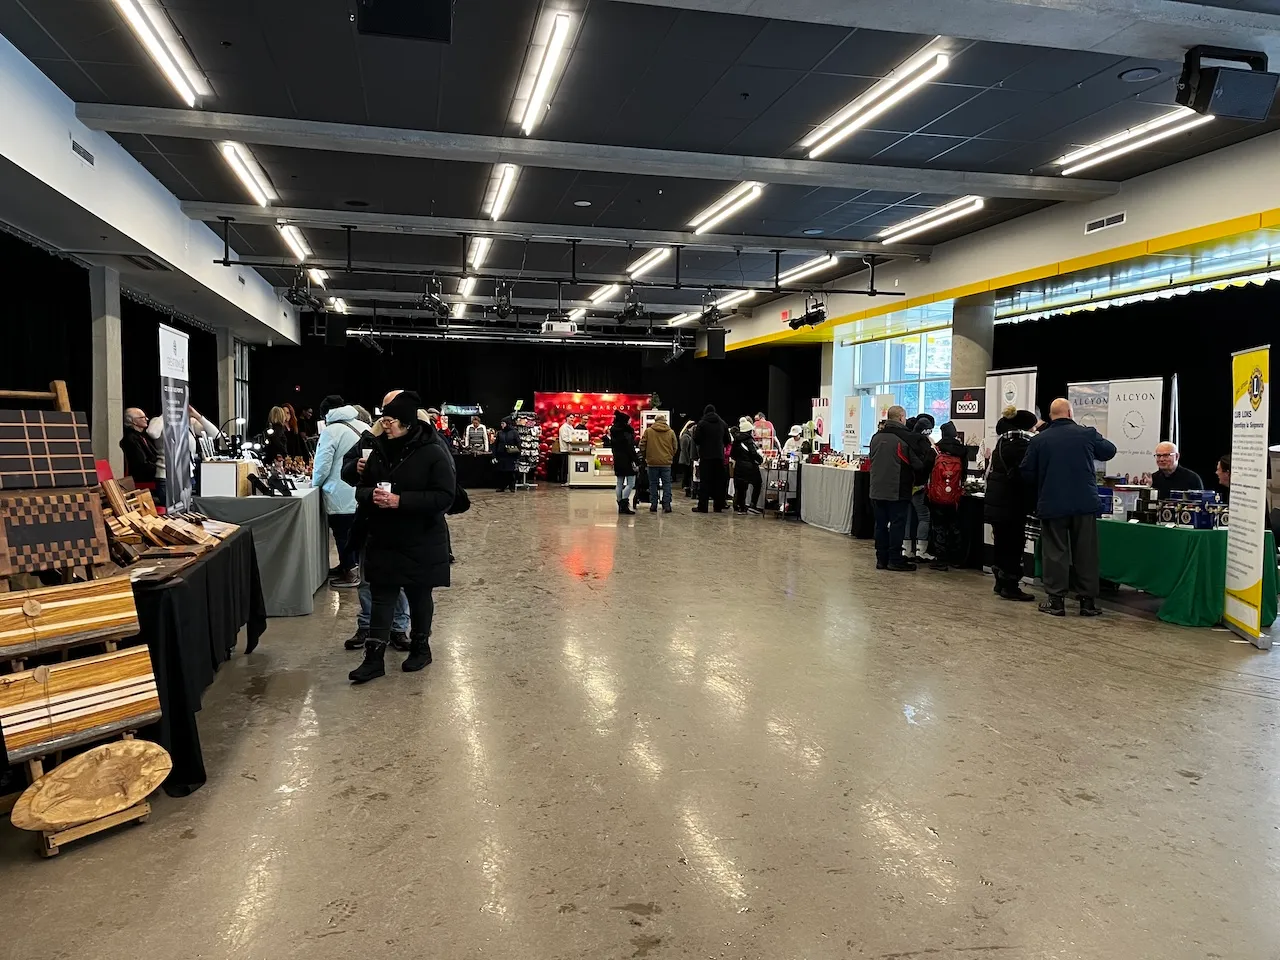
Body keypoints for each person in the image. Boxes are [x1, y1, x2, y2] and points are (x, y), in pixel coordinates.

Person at [347, 390, 455, 683]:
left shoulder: (433, 450)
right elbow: (360, 487)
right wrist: (372, 495)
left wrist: (400, 501)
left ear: (407, 422)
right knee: (382, 596)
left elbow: (445, 497)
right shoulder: (377, 448)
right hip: (383, 536)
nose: (386, 426)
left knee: (419, 595)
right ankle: (374, 659)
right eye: (383, 420)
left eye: (391, 421)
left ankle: (421, 648)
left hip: (422, 537)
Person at [1021, 398, 1117, 617]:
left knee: (1055, 552)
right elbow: (1110, 451)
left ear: (1050, 415)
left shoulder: (1039, 440)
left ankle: (1056, 602)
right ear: (1071, 413)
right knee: (1086, 552)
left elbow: (1026, 472)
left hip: (1052, 503)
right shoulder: (1087, 434)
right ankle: (1088, 603)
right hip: (1084, 503)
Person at [869, 405, 935, 571]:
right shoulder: (906, 438)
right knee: (898, 524)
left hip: (876, 489)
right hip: (898, 489)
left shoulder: (875, 438)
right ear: (901, 417)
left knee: (880, 525)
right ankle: (895, 559)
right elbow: (918, 466)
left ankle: (881, 559)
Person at [312, 395, 368, 588]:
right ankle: (352, 566)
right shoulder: (363, 426)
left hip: (339, 491)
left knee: (342, 533)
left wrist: (314, 484)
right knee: (358, 532)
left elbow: (323, 463)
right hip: (360, 490)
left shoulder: (331, 431)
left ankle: (350, 571)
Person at [985, 406, 1038, 601]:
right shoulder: (1021, 445)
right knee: (1013, 546)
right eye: (1033, 427)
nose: (1035, 430)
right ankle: (1010, 585)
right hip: (1012, 504)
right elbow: (1026, 475)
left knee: (1001, 543)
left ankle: (1000, 582)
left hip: (998, 503)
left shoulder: (1002, 443)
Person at [146, 405, 219, 506]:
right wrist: (167, 414)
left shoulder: (190, 423)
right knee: (172, 512)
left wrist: (198, 416)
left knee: (188, 511)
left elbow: (215, 434)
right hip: (167, 476)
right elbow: (152, 433)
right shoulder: (159, 421)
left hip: (188, 476)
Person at [925, 421, 966, 571]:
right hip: (955, 496)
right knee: (955, 525)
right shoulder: (962, 451)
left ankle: (940, 559)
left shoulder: (936, 450)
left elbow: (927, 469)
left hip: (937, 495)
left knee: (938, 526)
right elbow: (964, 474)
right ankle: (956, 558)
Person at [906, 413, 936, 562]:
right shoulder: (926, 445)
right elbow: (925, 466)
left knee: (907, 517)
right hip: (920, 486)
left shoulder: (905, 440)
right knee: (924, 517)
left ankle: (906, 550)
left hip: (905, 485)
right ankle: (921, 550)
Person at [638, 413, 678, 513]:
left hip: (652, 462)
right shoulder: (671, 432)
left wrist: (646, 456)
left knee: (653, 484)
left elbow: (642, 445)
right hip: (666, 463)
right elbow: (675, 447)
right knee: (666, 484)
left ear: (655, 421)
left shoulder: (648, 431)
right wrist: (670, 455)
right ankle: (667, 505)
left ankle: (653, 505)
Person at [693, 405, 729, 513]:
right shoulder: (722, 423)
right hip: (719, 457)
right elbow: (727, 440)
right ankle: (718, 506)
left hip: (706, 456)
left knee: (705, 482)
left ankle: (703, 507)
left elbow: (696, 439)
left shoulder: (702, 423)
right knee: (719, 482)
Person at [120, 406, 161, 497]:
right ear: (133, 421)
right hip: (142, 476)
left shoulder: (143, 436)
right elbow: (142, 464)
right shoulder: (130, 439)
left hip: (151, 471)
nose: (147, 419)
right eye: (142, 417)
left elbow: (154, 456)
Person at [731, 416, 765, 514]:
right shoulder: (749, 441)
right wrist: (760, 460)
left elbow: (733, 454)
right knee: (757, 484)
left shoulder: (736, 441)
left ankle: (741, 507)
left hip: (739, 467)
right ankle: (753, 505)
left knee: (741, 487)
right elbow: (754, 453)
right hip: (750, 467)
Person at [609, 410, 639, 515]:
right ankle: (624, 504)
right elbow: (630, 448)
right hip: (628, 460)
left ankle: (620, 504)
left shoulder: (613, 431)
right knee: (631, 483)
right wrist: (635, 460)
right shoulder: (627, 432)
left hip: (618, 459)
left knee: (619, 483)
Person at [492, 416, 520, 492]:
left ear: (507, 424)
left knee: (511, 472)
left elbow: (518, 444)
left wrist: (517, 455)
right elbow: (495, 445)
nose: (501, 425)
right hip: (501, 456)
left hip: (511, 455)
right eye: (501, 423)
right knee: (502, 472)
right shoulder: (500, 433)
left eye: (503, 423)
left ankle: (512, 487)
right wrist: (494, 456)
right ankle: (502, 487)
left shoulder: (514, 432)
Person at [678, 420, 698, 496]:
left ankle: (688, 489)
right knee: (686, 475)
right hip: (685, 460)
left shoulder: (688, 436)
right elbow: (684, 450)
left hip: (686, 459)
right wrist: (688, 460)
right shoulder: (685, 436)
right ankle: (687, 490)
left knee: (688, 475)